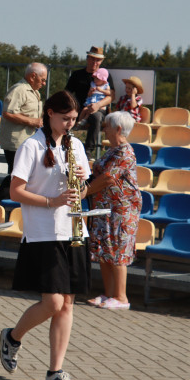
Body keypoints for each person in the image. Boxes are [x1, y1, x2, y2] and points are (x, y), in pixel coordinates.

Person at [0, 90, 91, 380]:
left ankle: (55, 371)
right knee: (52, 302)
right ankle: (13, 337)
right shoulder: (32, 146)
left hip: (73, 229)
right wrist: (52, 201)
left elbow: (84, 189)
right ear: (49, 113)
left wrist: (83, 182)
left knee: (67, 304)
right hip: (44, 231)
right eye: (65, 118)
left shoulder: (75, 145)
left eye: (74, 119)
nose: (70, 124)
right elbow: (15, 191)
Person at [83, 112, 142, 310]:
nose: (104, 129)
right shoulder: (112, 150)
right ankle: (109, 294)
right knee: (104, 250)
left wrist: (86, 192)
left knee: (117, 250)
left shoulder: (125, 152)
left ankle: (121, 297)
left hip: (121, 209)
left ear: (118, 129)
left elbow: (109, 177)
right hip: (104, 208)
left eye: (107, 125)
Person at [0, 63, 47, 173]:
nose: (44, 83)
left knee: (21, 175)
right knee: (16, 175)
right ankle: (4, 191)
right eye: (43, 80)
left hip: (25, 141)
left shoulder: (34, 91)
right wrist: (33, 121)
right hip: (16, 143)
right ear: (33, 76)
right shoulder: (19, 90)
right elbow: (7, 113)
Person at [65, 45, 111, 156]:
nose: (95, 62)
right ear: (87, 58)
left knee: (96, 117)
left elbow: (110, 96)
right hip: (79, 108)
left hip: (99, 109)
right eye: (92, 58)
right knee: (62, 115)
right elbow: (67, 94)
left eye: (98, 59)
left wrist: (98, 105)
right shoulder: (77, 75)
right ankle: (64, 148)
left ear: (101, 61)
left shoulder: (106, 75)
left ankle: (88, 152)